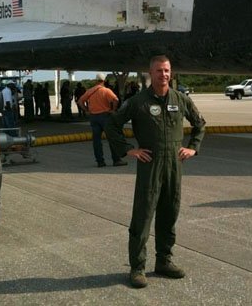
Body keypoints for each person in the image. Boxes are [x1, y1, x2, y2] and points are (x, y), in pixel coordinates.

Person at [105, 55, 206, 289]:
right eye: (159, 71)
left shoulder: (180, 99)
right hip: (150, 165)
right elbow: (112, 125)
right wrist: (129, 150)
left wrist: (193, 148)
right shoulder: (138, 101)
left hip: (174, 165)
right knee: (143, 217)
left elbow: (200, 123)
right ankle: (137, 268)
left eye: (167, 70)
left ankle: (164, 261)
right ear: (151, 73)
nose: (164, 75)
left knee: (169, 213)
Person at [78, 73, 125, 167]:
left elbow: (80, 101)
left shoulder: (90, 91)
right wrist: (113, 110)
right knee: (112, 138)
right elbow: (116, 100)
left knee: (96, 141)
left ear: (96, 80)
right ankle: (116, 160)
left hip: (93, 118)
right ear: (104, 80)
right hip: (105, 117)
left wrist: (86, 110)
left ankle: (100, 162)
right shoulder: (106, 90)